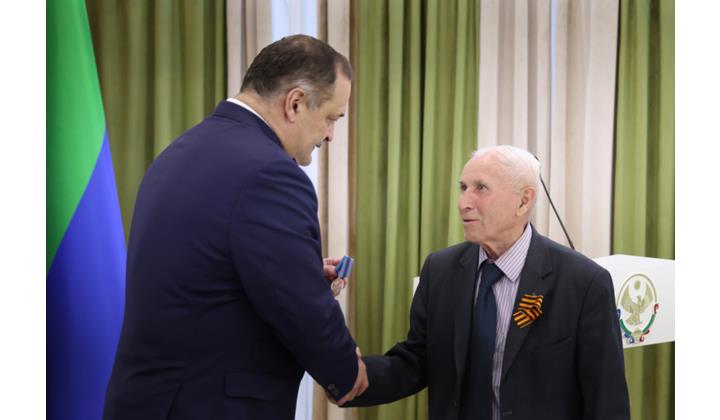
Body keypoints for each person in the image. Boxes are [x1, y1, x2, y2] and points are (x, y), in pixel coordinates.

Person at [103, 34, 367, 420]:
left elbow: (212, 275)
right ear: (295, 103)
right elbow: (301, 308)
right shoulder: (271, 173)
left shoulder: (177, 153)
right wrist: (345, 372)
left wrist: (302, 273)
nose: (329, 134)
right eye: (330, 118)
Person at [345, 145, 630, 419]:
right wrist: (351, 375)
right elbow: (417, 361)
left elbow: (606, 399)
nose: (463, 203)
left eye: (481, 188)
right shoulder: (440, 270)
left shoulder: (584, 283)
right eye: (463, 188)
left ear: (524, 201)